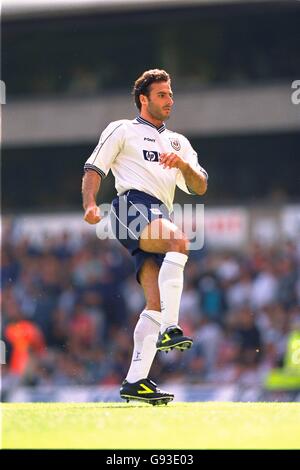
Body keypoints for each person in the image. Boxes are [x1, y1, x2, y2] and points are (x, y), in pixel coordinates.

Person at [82, 69, 208, 405]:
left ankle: (135, 381)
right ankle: (171, 327)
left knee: (153, 304)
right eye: (162, 95)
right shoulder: (123, 129)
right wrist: (91, 203)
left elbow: (199, 186)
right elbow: (94, 168)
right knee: (180, 242)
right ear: (144, 99)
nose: (170, 100)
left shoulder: (180, 142)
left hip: (158, 216)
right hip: (130, 207)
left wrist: (183, 165)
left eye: (171, 94)